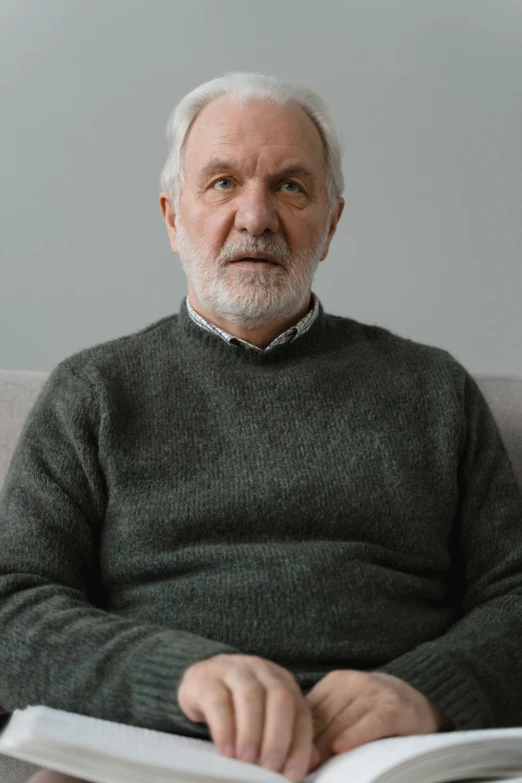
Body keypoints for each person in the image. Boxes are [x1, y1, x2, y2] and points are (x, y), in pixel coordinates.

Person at [1, 71, 521, 783]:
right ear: (171, 217)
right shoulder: (93, 392)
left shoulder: (433, 390)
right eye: (221, 183)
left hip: (395, 761)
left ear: (331, 223)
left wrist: (429, 689)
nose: (255, 217)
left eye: (290, 186)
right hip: (154, 750)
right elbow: (13, 608)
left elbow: (515, 593)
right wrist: (177, 677)